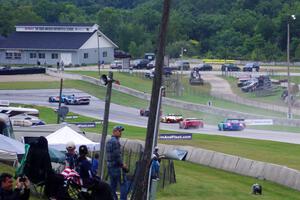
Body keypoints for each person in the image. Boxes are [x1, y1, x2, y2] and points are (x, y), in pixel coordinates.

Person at [106, 125, 128, 200]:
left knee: (112, 186)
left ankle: (113, 198)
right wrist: (123, 165)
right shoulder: (115, 142)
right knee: (124, 184)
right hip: (117, 167)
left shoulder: (108, 141)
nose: (121, 133)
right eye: (119, 131)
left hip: (110, 166)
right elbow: (117, 155)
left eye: (121, 131)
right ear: (114, 131)